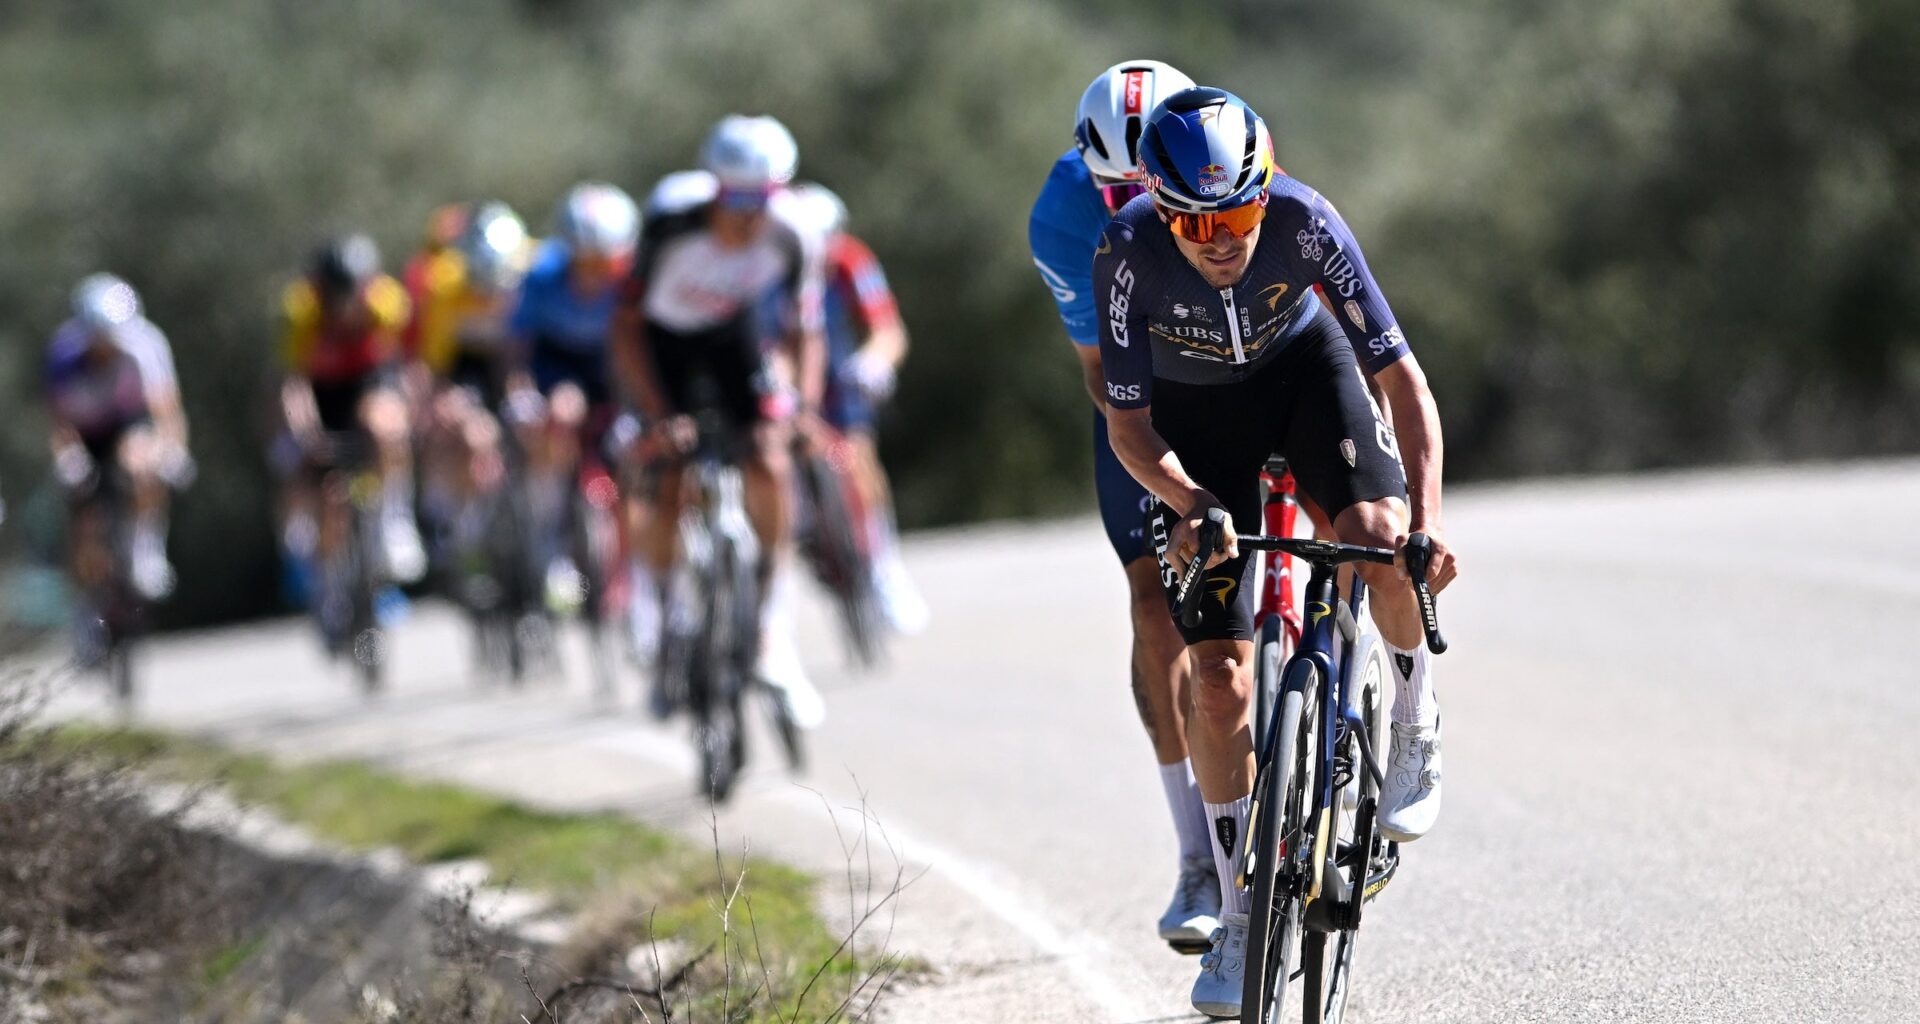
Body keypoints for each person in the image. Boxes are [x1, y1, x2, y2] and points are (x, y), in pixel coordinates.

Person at [1093, 86, 1459, 1015]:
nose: (1221, 239)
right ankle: (1244, 914)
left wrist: (1429, 523)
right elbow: (1126, 425)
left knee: (1377, 541)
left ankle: (1415, 721)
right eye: (1196, 221)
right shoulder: (1127, 254)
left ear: (1268, 189)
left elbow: (1401, 381)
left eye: (1241, 211)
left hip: (1306, 374)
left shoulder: (1306, 220)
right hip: (1192, 420)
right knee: (1216, 684)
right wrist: (1188, 501)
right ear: (1161, 209)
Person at [1028, 59, 1227, 954]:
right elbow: (1105, 382)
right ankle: (1195, 857)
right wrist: (1177, 486)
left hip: (1244, 368)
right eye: (1118, 189)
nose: (1132, 206)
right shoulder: (1065, 217)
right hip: (1139, 397)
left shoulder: (1223, 147)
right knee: (1156, 604)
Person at [613, 114, 827, 728]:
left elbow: (805, 328)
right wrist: (656, 416)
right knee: (668, 472)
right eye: (734, 198)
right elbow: (625, 329)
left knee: (768, 456)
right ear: (712, 188)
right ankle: (658, 623)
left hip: (735, 338)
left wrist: (805, 410)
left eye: (763, 199)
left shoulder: (795, 232)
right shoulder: (670, 225)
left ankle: (771, 632)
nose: (748, 215)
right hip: (662, 347)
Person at [780, 182, 927, 635]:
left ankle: (884, 569)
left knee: (859, 454)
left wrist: (875, 362)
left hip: (837, 363)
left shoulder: (849, 259)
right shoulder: (769, 266)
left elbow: (887, 327)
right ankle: (803, 520)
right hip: (783, 361)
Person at [507, 182, 640, 611]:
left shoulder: (632, 278)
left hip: (612, 363)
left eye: (605, 260)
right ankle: (551, 532)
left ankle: (631, 566)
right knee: (561, 411)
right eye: (585, 260)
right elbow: (517, 349)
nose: (596, 271)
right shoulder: (541, 277)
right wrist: (522, 395)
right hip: (558, 365)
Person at [277, 234, 423, 606]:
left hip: (367, 382)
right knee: (316, 486)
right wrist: (307, 434)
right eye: (336, 296)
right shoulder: (301, 310)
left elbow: (401, 366)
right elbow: (294, 382)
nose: (345, 307)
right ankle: (323, 581)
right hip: (322, 392)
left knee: (385, 428)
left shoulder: (387, 302)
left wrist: (408, 415)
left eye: (353, 294)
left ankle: (393, 523)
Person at [45, 274, 193, 615]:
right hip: (85, 435)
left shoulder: (145, 344)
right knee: (83, 519)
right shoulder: (63, 354)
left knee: (142, 461)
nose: (107, 346)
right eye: (99, 338)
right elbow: (59, 422)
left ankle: (146, 549)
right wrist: (67, 458)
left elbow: (166, 409)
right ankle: (85, 608)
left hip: (129, 426)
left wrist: (172, 451)